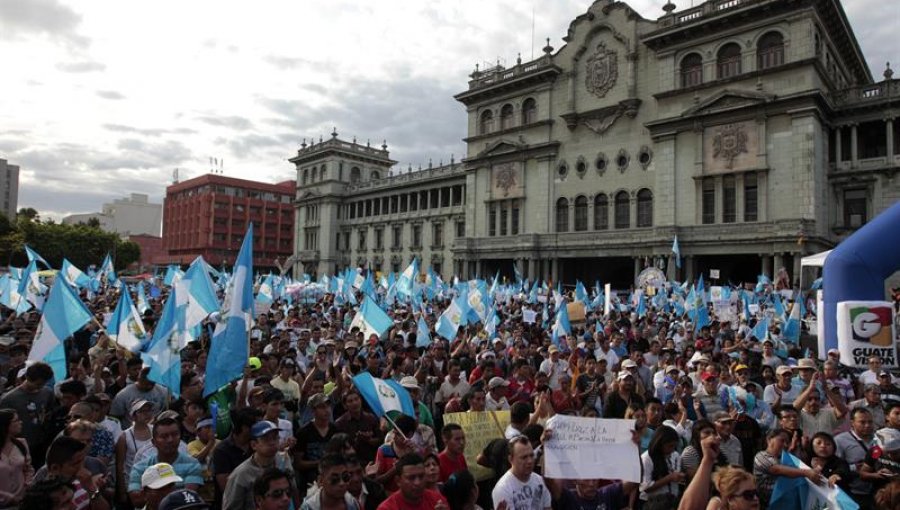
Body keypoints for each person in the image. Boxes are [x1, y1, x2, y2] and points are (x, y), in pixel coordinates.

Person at [128, 413, 202, 508]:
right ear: (154, 442)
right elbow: (137, 501)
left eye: (175, 435)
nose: (170, 440)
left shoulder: (192, 464)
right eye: (164, 436)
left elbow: (187, 499)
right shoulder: (139, 467)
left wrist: (155, 492)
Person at [224, 421, 298, 510]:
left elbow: (294, 491)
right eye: (266, 439)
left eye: (275, 438)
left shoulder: (284, 459)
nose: (272, 443)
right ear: (254, 445)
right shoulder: (241, 474)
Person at [0, 361, 56, 467]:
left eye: (42, 384)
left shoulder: (47, 393)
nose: (39, 387)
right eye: (37, 384)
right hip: (19, 445)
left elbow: (50, 412)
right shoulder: (9, 399)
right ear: (27, 377)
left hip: (41, 443)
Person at [753, 429, 823, 508]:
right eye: (782, 440)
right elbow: (777, 469)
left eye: (787, 442)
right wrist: (807, 473)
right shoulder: (761, 456)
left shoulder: (785, 459)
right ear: (769, 439)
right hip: (767, 504)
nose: (785, 445)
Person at [41, 436, 110, 510]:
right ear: (55, 468)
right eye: (75, 464)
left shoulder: (81, 482)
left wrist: (92, 488)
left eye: (83, 461)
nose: (81, 468)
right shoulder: (45, 498)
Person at [212, 408, 261, 507]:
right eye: (256, 426)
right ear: (244, 427)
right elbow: (226, 486)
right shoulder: (222, 451)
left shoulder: (257, 445)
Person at [835, 407, 880, 505]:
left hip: (878, 492)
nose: (867, 425)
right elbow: (835, 467)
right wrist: (854, 467)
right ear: (852, 423)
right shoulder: (840, 440)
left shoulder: (880, 438)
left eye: (870, 422)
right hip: (853, 493)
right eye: (862, 422)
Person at [294, 393, 337, 496]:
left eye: (328, 406)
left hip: (333, 481)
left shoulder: (335, 430)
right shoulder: (303, 433)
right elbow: (298, 463)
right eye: (322, 407)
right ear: (313, 411)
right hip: (310, 485)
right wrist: (320, 462)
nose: (326, 410)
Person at [492, 436, 551, 510]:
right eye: (524, 457)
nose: (530, 461)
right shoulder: (503, 488)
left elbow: (548, 508)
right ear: (511, 459)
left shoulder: (540, 481)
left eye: (531, 455)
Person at [377, 453, 448, 510]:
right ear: (398, 481)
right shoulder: (387, 508)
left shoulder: (438, 501)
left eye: (421, 476)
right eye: (411, 478)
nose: (417, 482)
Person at [640, 426, 684, 510]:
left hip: (671, 501)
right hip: (653, 504)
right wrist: (669, 478)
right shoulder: (647, 458)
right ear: (659, 443)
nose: (672, 449)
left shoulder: (674, 455)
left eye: (674, 446)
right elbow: (645, 487)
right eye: (669, 446)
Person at [0, 408, 33, 506]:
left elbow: (28, 469)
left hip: (22, 501)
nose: (21, 422)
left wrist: (28, 485)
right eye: (16, 420)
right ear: (5, 425)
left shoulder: (21, 444)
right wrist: (10, 498)